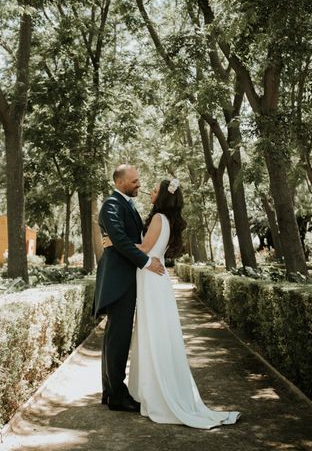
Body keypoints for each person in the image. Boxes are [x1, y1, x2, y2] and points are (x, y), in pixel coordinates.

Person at [104, 177, 240, 429]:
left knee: (153, 335)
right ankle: (150, 388)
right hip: (153, 279)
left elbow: (144, 248)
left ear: (163, 197)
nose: (149, 192)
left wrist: (114, 241)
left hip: (152, 281)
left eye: (154, 190)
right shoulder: (165, 220)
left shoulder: (158, 219)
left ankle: (158, 393)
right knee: (153, 334)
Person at [94, 164, 165, 412]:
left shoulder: (128, 204)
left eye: (139, 180)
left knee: (116, 338)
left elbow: (128, 239)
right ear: (120, 182)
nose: (139, 184)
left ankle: (110, 392)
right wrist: (146, 262)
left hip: (125, 279)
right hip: (118, 281)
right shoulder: (111, 205)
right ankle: (116, 395)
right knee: (118, 339)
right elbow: (122, 242)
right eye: (134, 181)